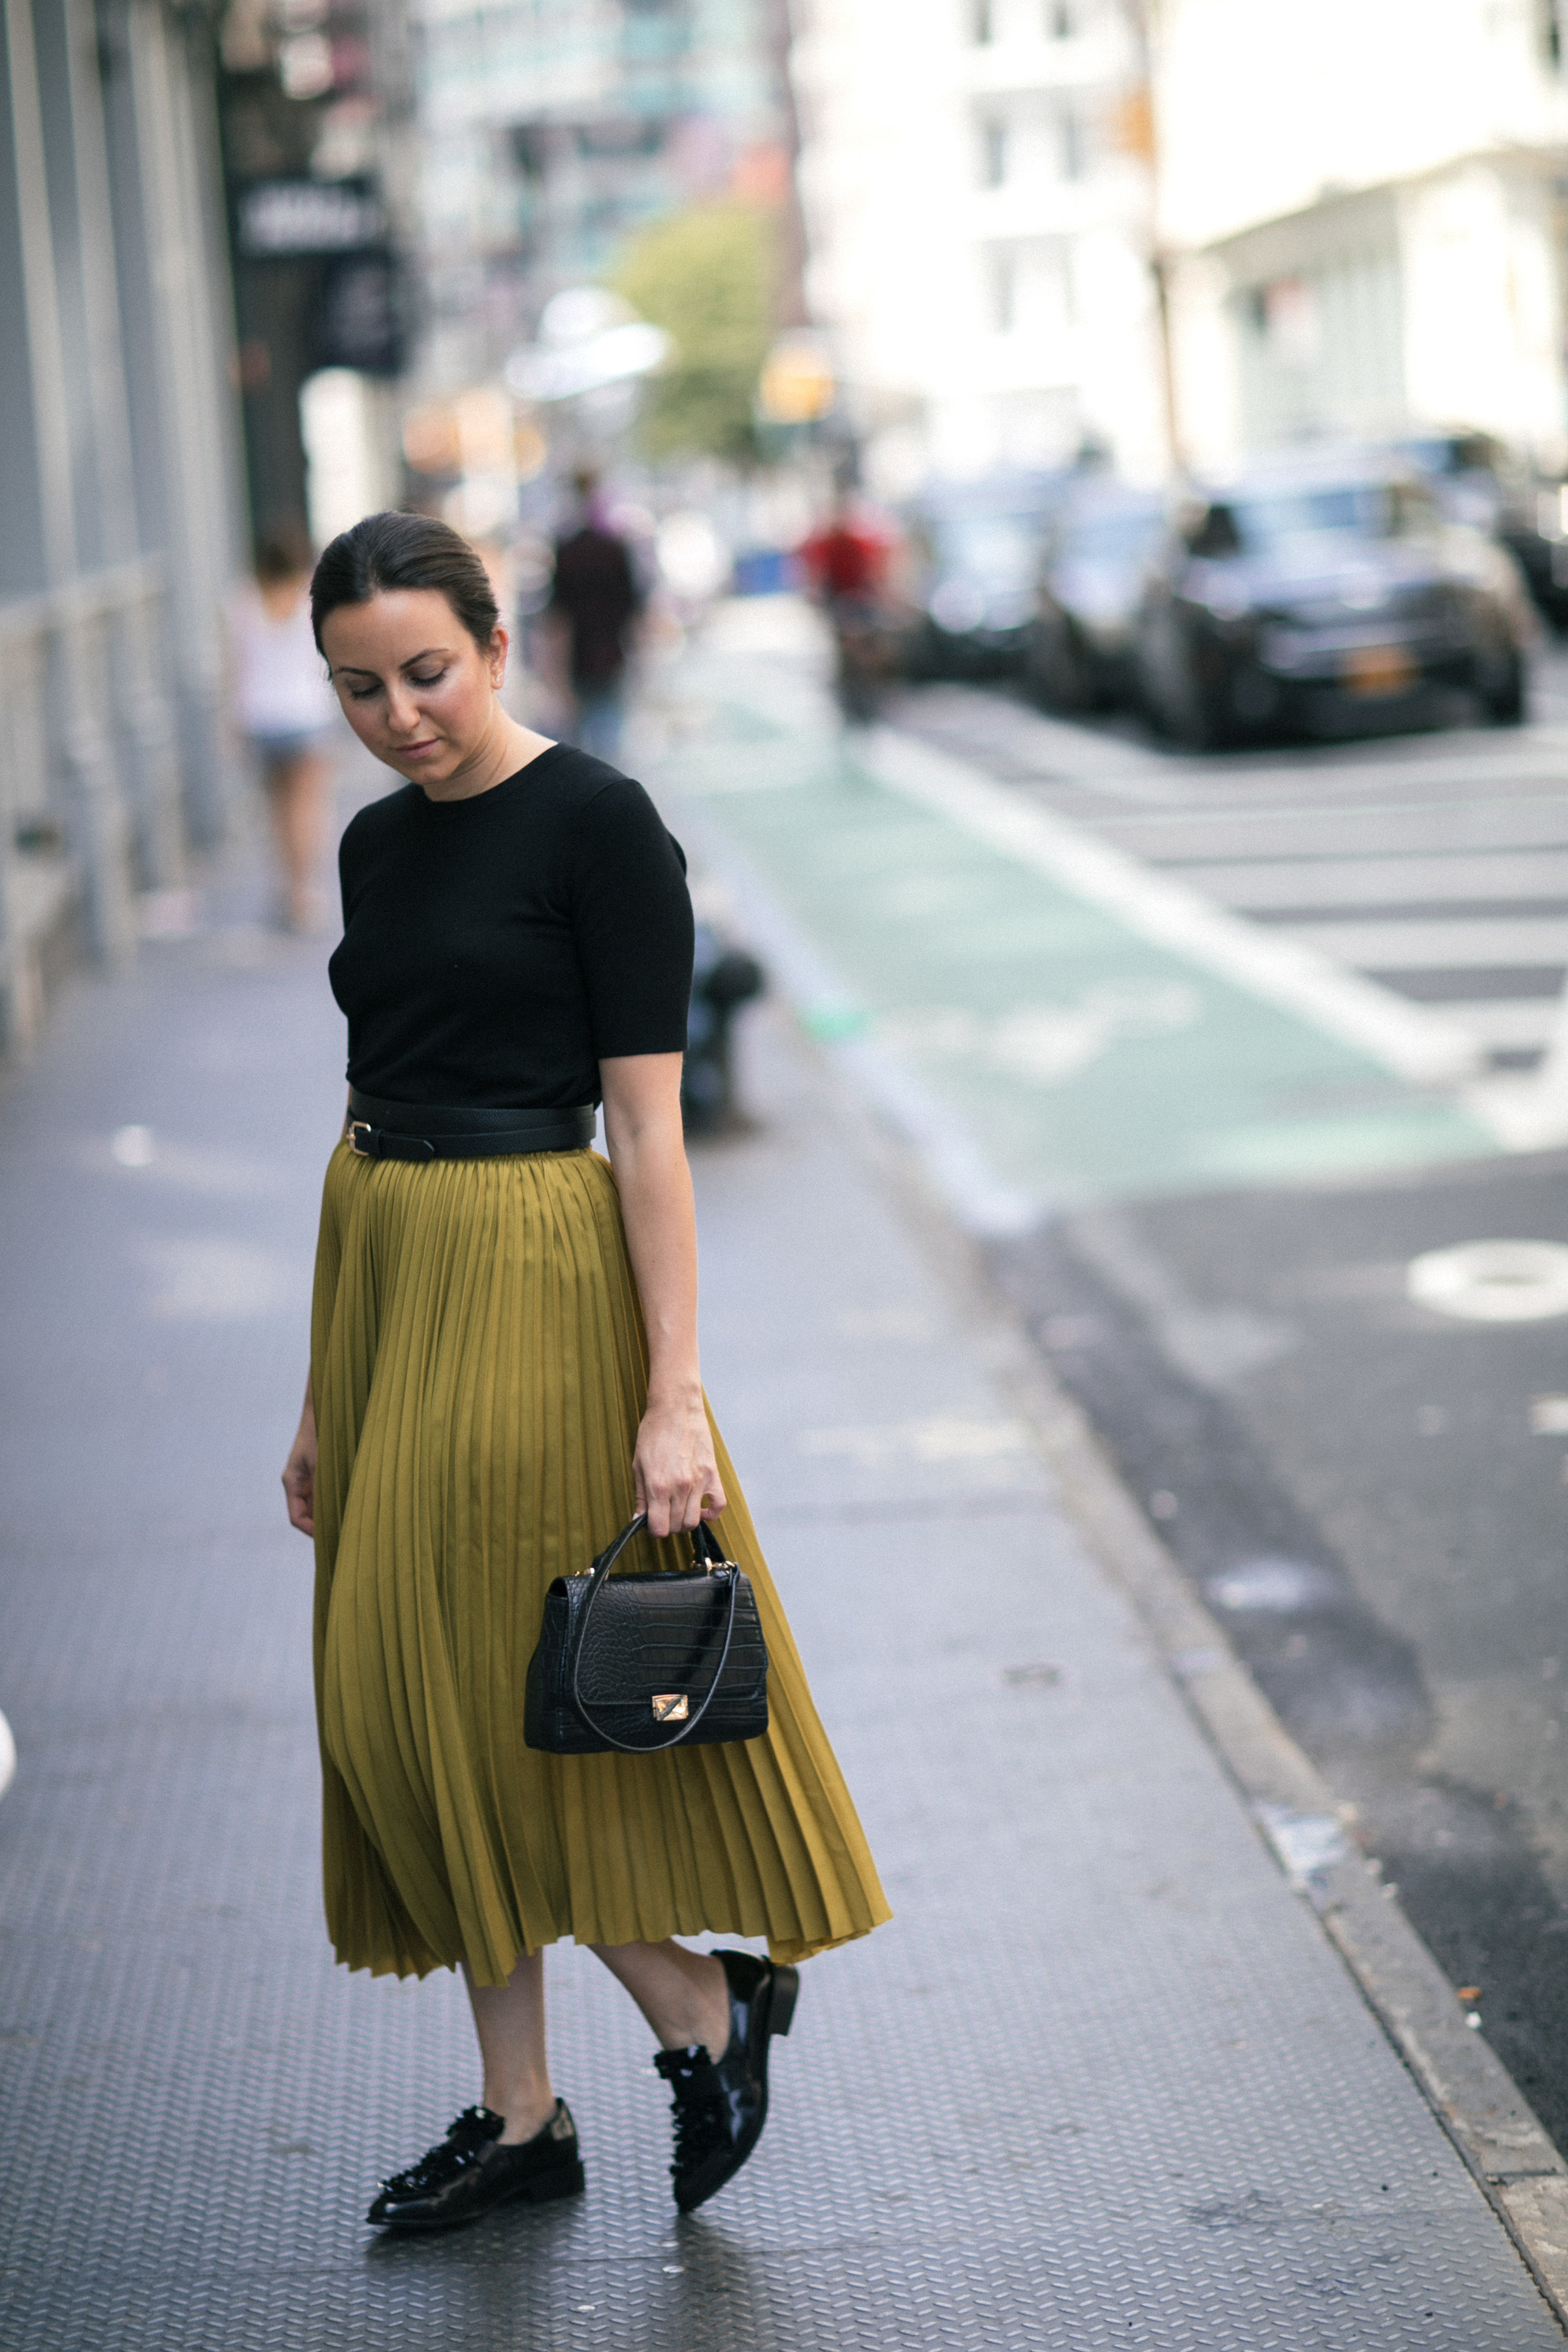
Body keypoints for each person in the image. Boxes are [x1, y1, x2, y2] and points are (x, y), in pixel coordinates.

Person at [280, 511, 889, 2233]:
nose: (397, 713)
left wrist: (672, 1391)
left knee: (490, 1699)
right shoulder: (379, 849)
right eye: (357, 686)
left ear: (493, 638)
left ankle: (695, 2003)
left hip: (541, 1269)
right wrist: (327, 1389)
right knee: (395, 1708)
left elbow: (649, 1126)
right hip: (389, 1262)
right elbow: (362, 1103)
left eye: (427, 671)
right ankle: (527, 2111)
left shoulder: (602, 825)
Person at [228, 522, 337, 931]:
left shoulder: (242, 602)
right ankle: (306, 892)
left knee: (275, 811)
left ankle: (286, 890)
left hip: (260, 717)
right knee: (307, 807)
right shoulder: (313, 598)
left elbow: (233, 671)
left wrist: (231, 725)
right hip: (306, 715)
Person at [548, 468, 643, 762]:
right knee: (610, 747)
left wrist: (556, 673)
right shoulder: (615, 549)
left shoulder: (567, 550)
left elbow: (558, 619)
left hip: (579, 658)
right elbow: (634, 611)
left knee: (579, 749)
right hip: (612, 653)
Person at [798, 487, 898, 723]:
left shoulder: (860, 540)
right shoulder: (827, 542)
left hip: (861, 601)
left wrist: (883, 597)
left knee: (867, 644)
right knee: (846, 644)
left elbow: (874, 572)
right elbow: (817, 574)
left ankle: (871, 687)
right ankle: (849, 689)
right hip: (839, 602)